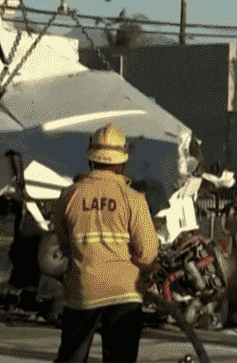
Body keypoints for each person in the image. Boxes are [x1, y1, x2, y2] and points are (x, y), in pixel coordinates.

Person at [53, 123, 160, 363]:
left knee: (71, 357)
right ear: (122, 162)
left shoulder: (69, 195)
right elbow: (148, 253)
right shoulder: (133, 198)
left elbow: (63, 245)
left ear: (91, 159)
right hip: (124, 292)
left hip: (82, 291)